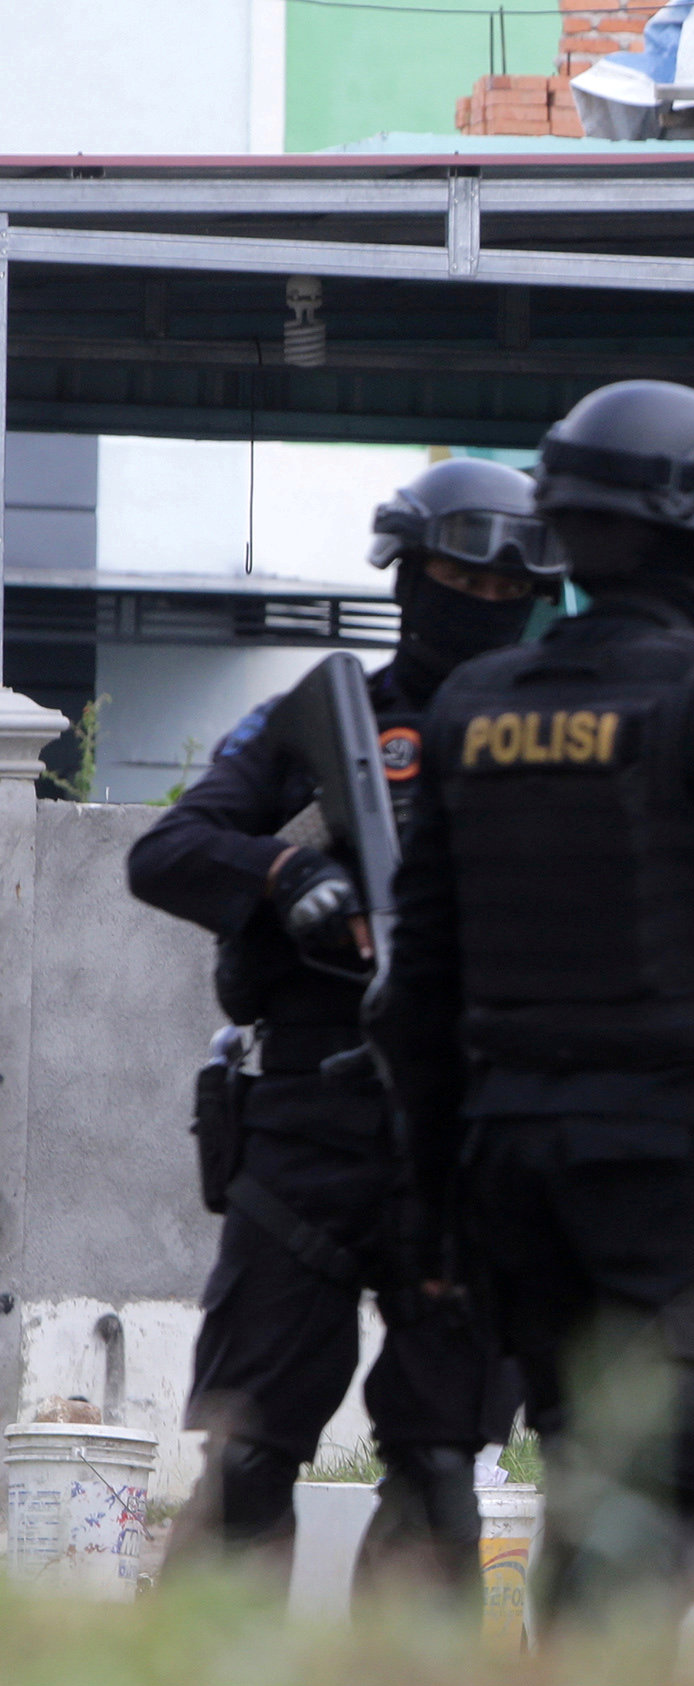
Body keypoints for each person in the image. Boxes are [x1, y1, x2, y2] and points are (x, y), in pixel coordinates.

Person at [373, 380, 694, 1634]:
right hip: (671, 1161)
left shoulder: (473, 707)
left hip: (510, 1163)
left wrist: (439, 1199)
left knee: (584, 1466)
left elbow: (417, 991)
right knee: (676, 1483)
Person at [127, 457, 565, 1599]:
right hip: (314, 1130)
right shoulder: (331, 722)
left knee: (438, 1463)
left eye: (506, 583)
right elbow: (167, 851)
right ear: (407, 577)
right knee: (254, 1450)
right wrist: (284, 873)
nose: (483, 599)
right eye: (457, 575)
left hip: (470, 1142)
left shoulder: (562, 733)